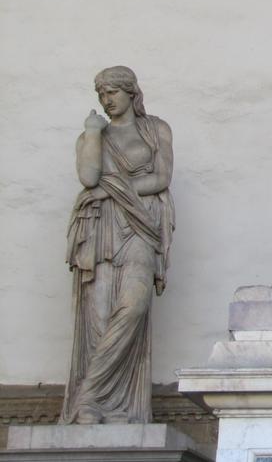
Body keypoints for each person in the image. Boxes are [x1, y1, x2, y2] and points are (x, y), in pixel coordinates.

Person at [61, 66, 174, 424]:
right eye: (101, 94)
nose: (107, 100)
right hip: (99, 228)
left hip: (139, 224)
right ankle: (92, 404)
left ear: (131, 92)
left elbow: (161, 177)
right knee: (98, 319)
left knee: (133, 307)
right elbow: (89, 177)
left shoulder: (156, 129)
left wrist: (115, 189)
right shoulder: (91, 136)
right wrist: (93, 133)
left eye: (112, 92)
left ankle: (88, 395)